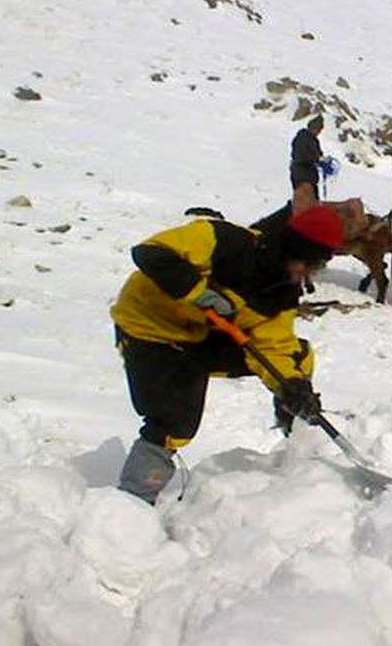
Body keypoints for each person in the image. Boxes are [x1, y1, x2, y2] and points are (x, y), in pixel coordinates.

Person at [110, 206, 344, 504]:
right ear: (293, 249)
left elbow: (276, 345)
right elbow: (152, 253)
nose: (310, 273)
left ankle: (298, 446)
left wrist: (293, 387)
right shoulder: (224, 240)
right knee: (174, 422)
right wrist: (200, 292)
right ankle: (133, 501)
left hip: (200, 335)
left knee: (298, 358)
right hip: (148, 329)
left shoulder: (282, 292)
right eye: (309, 264)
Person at [290, 115, 325, 203]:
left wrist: (321, 158)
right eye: (318, 129)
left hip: (308, 175)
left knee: (311, 201)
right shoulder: (303, 138)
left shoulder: (313, 140)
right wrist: (317, 160)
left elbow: (317, 153)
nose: (319, 132)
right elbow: (302, 156)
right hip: (302, 174)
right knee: (305, 201)